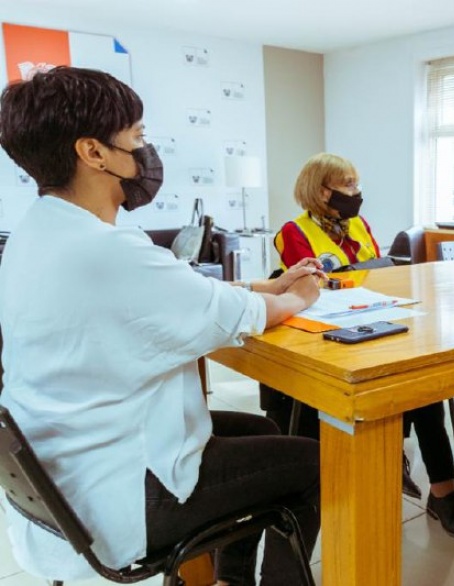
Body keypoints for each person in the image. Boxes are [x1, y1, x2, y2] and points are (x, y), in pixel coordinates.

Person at [0, 67, 323, 585]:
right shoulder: (104, 249)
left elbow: (179, 292)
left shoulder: (35, 235)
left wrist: (264, 286)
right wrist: (299, 296)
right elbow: (232, 316)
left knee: (261, 430)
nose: (146, 154)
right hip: (119, 493)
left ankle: (229, 580)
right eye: (138, 138)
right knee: (314, 465)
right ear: (94, 152)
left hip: (60, 475)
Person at [264, 152, 454, 542]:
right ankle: (402, 467)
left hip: (373, 320)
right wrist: (357, 277)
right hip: (327, 338)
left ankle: (443, 491)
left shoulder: (358, 224)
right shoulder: (292, 232)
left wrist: (359, 277)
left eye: (355, 183)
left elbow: (376, 273)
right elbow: (313, 287)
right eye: (347, 184)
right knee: (404, 391)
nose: (356, 192)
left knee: (423, 384)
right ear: (321, 189)